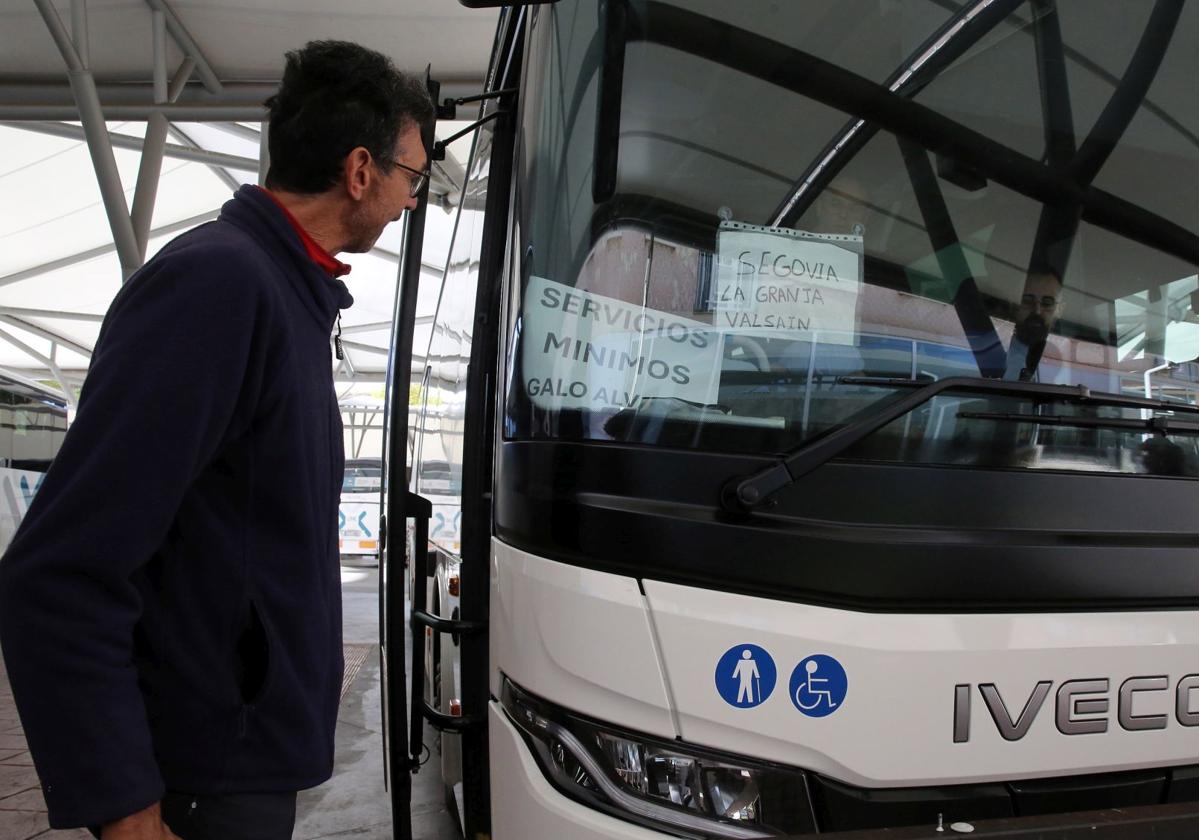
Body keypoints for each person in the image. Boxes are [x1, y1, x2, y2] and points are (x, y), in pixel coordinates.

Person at [0, 40, 433, 840]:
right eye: (413, 176)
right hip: (197, 777)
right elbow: (61, 571)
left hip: (240, 755)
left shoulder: (287, 290)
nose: (414, 200)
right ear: (361, 169)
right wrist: (125, 806)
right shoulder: (221, 284)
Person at [1004, 270, 1064, 380]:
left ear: (1060, 310)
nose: (1037, 310)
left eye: (1047, 303)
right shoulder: (995, 346)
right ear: (1015, 306)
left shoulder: (1064, 363)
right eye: (1027, 300)